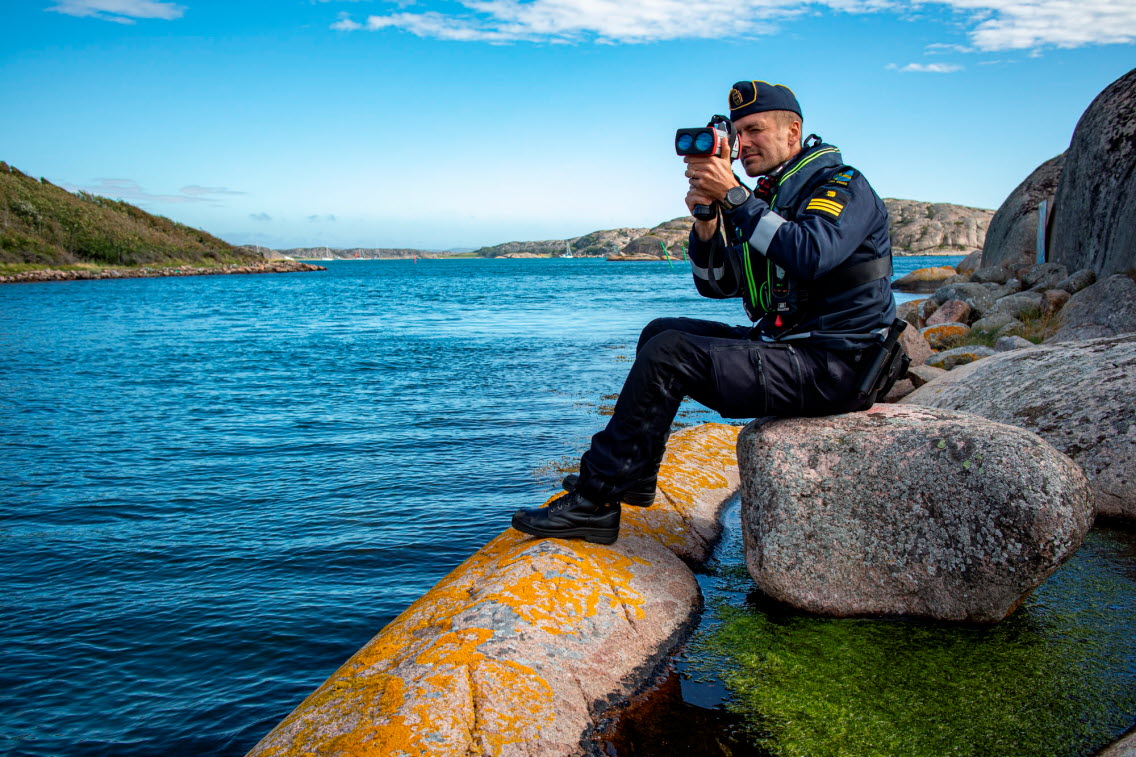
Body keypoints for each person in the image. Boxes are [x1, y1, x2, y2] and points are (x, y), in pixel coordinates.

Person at [511, 80, 897, 546]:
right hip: (791, 349)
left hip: (837, 367)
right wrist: (707, 220)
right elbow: (717, 285)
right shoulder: (772, 199)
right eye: (737, 133)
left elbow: (811, 254)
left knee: (672, 352)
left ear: (792, 132)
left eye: (754, 130)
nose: (743, 143)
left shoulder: (841, 185)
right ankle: (628, 478)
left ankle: (596, 503)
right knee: (661, 331)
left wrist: (735, 197)